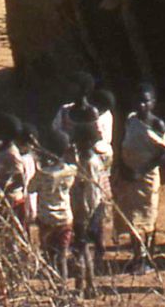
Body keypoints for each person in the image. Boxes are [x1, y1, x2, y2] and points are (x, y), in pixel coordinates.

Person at [118, 84, 165, 273]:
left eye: (145, 101)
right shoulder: (131, 120)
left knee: (148, 216)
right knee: (131, 217)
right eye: (138, 100)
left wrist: (142, 170)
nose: (141, 105)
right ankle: (136, 256)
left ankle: (148, 257)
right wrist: (124, 167)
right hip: (130, 176)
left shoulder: (157, 125)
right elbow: (123, 141)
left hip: (147, 177)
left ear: (153, 103)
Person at [30, 128, 77, 280]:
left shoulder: (43, 174)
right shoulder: (71, 171)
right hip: (65, 218)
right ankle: (63, 289)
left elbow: (30, 188)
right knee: (62, 256)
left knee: (50, 255)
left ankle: (54, 287)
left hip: (46, 219)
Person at [71, 120, 111, 298]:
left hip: (86, 209)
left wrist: (84, 214)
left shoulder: (89, 163)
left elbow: (91, 192)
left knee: (82, 248)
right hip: (93, 208)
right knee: (84, 248)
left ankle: (83, 286)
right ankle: (89, 285)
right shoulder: (93, 159)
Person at [0, 113, 29, 228]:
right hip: (1, 200)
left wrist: (5, 186)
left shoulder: (13, 154)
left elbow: (20, 179)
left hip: (13, 201)